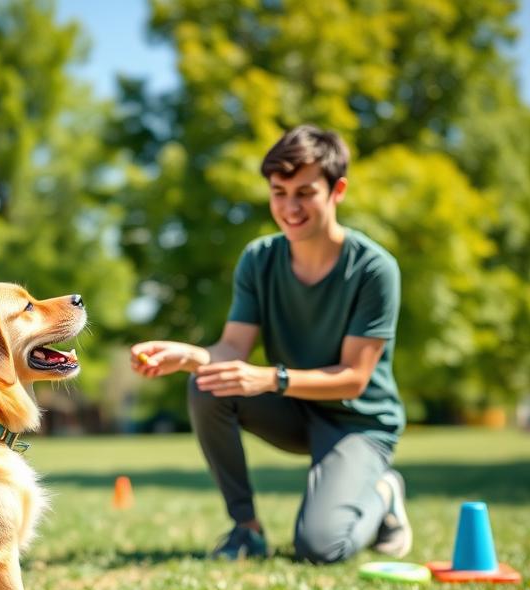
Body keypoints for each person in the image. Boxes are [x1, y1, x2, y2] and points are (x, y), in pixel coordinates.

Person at [130, 125, 409, 563]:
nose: (290, 207)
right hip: (294, 409)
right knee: (206, 383)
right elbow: (232, 349)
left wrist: (270, 378)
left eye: (304, 192)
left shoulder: (374, 269)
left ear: (338, 190)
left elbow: (355, 379)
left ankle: (384, 494)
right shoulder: (259, 259)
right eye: (279, 192)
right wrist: (191, 357)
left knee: (320, 548)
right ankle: (247, 530)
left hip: (359, 422)